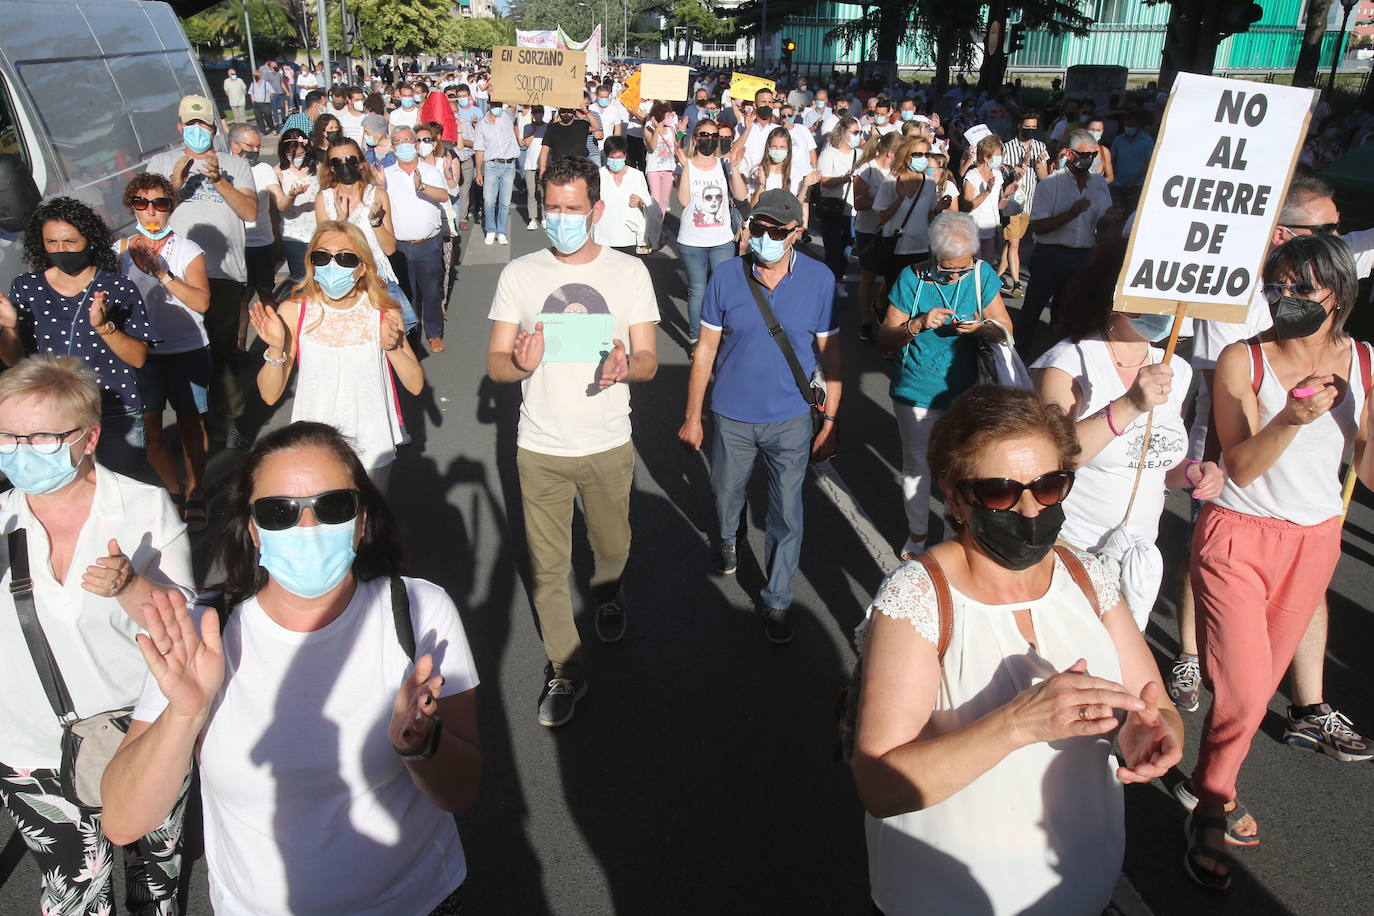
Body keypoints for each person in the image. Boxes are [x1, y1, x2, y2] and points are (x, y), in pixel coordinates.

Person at [101, 421, 481, 915]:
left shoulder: (419, 608)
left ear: (362, 522)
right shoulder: (204, 631)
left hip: (415, 901)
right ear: (254, 530)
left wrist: (421, 744)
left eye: (333, 507)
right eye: (279, 511)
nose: (308, 528)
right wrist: (184, 714)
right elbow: (124, 821)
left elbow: (461, 790)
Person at [853, 384, 1183, 915]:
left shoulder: (1087, 574)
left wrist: (1151, 732)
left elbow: (1156, 705)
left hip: (1077, 883)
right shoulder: (918, 598)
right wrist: (1017, 724)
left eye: (1051, 486)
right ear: (956, 494)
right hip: (951, 897)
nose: (1031, 509)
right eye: (1002, 493)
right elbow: (879, 785)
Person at [1178, 235, 1374, 889]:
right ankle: (1211, 803)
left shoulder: (1367, 364)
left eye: (1301, 288)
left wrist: (1364, 425)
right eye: (1277, 286)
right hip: (1236, 536)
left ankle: (1217, 780)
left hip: (1313, 544)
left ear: (1339, 294)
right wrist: (1290, 418)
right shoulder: (1245, 359)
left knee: (1258, 691)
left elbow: (1369, 472)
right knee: (1240, 688)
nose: (1285, 299)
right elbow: (1238, 464)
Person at [0, 355, 197, 916]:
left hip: (136, 736)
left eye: (39, 437)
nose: (19, 450)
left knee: (151, 884)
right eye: (7, 436)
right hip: (29, 750)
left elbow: (184, 627)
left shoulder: (142, 507)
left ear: (89, 437)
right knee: (71, 897)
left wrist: (133, 586)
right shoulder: (1, 519)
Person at [484, 156, 660, 728]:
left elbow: (651, 359)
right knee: (547, 566)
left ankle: (608, 593)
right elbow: (495, 363)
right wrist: (518, 363)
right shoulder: (520, 274)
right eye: (552, 208)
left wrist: (624, 368)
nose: (560, 219)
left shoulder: (628, 274)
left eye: (572, 209)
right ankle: (567, 666)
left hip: (608, 442)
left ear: (596, 211)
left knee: (612, 545)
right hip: (540, 448)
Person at [678, 190, 842, 644]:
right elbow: (706, 349)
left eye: (776, 231)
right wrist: (693, 415)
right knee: (724, 492)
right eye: (757, 229)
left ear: (796, 234)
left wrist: (831, 422)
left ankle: (777, 599)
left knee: (788, 512)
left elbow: (831, 357)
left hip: (790, 418)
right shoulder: (727, 277)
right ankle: (728, 535)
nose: (764, 238)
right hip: (731, 415)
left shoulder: (820, 280)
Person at [1032, 239, 1223, 627]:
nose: (1161, 311)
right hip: (1070, 549)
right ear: (1113, 298)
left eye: (1167, 300)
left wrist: (1192, 472)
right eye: (1149, 298)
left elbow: (1153, 461)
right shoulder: (1069, 363)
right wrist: (1130, 404)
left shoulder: (1176, 371)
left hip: (1136, 557)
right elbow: (1056, 456)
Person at [876, 212, 1012, 559]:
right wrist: (919, 324)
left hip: (968, 393)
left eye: (963, 268)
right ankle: (918, 535)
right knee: (917, 466)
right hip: (916, 390)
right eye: (948, 269)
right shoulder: (912, 279)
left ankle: (954, 534)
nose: (955, 276)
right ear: (933, 257)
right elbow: (886, 341)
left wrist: (982, 327)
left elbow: (1006, 330)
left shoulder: (981, 276)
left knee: (964, 470)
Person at [249, 222, 421, 490]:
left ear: (362, 266)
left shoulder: (384, 312)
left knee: (368, 529)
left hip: (371, 448)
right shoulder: (295, 311)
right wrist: (275, 347)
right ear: (311, 263)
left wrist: (394, 347)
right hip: (314, 451)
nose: (332, 265)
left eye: (345, 257)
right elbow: (270, 394)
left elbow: (415, 384)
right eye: (322, 256)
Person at [0, 198, 158, 475]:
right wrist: (10, 328)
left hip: (113, 410)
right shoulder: (26, 287)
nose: (61, 250)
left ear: (91, 241)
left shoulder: (117, 287)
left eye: (70, 242)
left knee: (123, 496)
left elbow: (138, 356)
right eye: (52, 242)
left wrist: (103, 327)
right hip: (52, 417)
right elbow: (13, 360)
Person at [145, 95, 258, 450]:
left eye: (203, 125)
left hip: (222, 273)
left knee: (221, 351)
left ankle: (228, 421)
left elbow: (250, 212)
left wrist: (219, 181)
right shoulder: (160, 163)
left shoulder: (234, 165)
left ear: (215, 128)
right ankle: (190, 422)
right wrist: (174, 185)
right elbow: (150, 216)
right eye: (190, 125)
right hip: (172, 274)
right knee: (179, 350)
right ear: (180, 127)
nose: (197, 131)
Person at [116, 173, 213, 530]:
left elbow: (202, 302)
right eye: (142, 203)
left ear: (170, 208)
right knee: (152, 430)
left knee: (191, 425)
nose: (151, 212)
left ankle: (196, 491)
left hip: (188, 349)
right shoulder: (120, 251)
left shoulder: (187, 250)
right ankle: (174, 491)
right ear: (132, 207)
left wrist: (163, 274)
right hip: (144, 354)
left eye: (160, 204)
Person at [1014, 129, 1114, 359]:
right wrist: (1071, 213)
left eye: (1093, 155)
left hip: (1083, 256)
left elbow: (1102, 222)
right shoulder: (1050, 185)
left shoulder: (1099, 184)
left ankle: (1055, 361)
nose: (1089, 159)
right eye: (1084, 154)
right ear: (1069, 154)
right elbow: (1038, 226)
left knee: (1066, 314)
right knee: (1032, 310)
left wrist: (1109, 219)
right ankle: (1018, 360)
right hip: (1050, 255)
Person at [676, 119, 740, 347]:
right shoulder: (687, 164)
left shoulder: (724, 164)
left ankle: (721, 336)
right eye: (704, 135)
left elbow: (740, 195)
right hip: (692, 241)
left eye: (714, 136)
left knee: (722, 290)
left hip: (722, 240)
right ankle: (696, 338)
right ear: (695, 138)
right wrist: (685, 168)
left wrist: (734, 167)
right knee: (698, 291)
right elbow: (683, 200)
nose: (709, 140)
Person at [385, 126, 449, 352]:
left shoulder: (429, 171)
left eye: (408, 141)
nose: (404, 146)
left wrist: (421, 186)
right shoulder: (386, 176)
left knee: (431, 292)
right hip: (400, 246)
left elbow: (443, 195)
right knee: (406, 293)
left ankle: (434, 334)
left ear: (415, 144)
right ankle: (410, 337)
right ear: (393, 148)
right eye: (398, 142)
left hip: (428, 244)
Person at [872, 137, 952, 307]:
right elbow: (882, 217)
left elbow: (929, 216)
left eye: (926, 154)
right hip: (896, 248)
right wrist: (900, 199)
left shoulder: (929, 183)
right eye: (918, 154)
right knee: (894, 294)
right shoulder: (892, 181)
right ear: (907, 156)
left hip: (921, 248)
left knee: (913, 296)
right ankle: (883, 317)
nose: (923, 158)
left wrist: (938, 209)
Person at [853, 132, 902, 339]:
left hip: (892, 230)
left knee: (894, 276)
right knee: (868, 276)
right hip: (868, 230)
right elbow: (858, 202)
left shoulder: (899, 170)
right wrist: (883, 205)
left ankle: (880, 304)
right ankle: (865, 322)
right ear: (891, 153)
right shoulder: (867, 170)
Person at [998, 112, 1049, 298]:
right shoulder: (1006, 147)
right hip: (1012, 202)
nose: (1030, 131)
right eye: (1027, 127)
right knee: (1014, 242)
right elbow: (1002, 174)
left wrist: (1038, 166)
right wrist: (1019, 167)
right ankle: (1017, 283)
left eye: (1034, 128)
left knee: (1011, 242)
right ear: (1019, 125)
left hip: (1029, 201)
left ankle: (998, 275)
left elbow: (1044, 178)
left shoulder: (1040, 147)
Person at [261, 128, 320, 285]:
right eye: (292, 155)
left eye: (301, 155)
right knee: (301, 279)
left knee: (320, 277)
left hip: (318, 232)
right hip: (293, 235)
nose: (296, 159)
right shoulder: (278, 172)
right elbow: (279, 206)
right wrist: (291, 196)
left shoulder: (318, 169)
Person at [816, 117, 862, 301]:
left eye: (859, 132)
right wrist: (844, 178)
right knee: (833, 248)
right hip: (832, 208)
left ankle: (837, 278)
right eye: (855, 132)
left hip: (852, 209)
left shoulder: (860, 153)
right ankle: (831, 282)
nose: (858, 136)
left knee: (847, 247)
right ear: (843, 133)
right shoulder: (829, 153)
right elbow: (823, 180)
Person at [471, 102, 519, 245]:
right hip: (491, 166)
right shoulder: (481, 125)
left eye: (500, 103)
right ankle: (491, 229)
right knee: (489, 201)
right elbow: (479, 150)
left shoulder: (507, 116)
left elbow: (513, 103)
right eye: (495, 104)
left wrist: (501, 91)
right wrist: (479, 172)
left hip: (509, 165)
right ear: (489, 104)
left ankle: (501, 231)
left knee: (505, 202)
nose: (498, 107)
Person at [594, 136, 651, 254]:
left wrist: (640, 202)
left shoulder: (637, 176)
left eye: (619, 157)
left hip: (629, 237)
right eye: (612, 157)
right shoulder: (598, 176)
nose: (615, 161)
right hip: (603, 237)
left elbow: (649, 204)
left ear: (625, 156)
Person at [960, 134, 1009, 264]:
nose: (1001, 159)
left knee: (986, 266)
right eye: (998, 156)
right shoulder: (972, 175)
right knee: (973, 266)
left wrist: (1007, 195)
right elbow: (967, 206)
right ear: (987, 157)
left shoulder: (998, 175)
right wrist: (986, 191)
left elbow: (999, 205)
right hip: (973, 230)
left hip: (991, 229)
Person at [642, 102, 679, 242]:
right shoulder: (648, 128)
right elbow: (651, 146)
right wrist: (657, 128)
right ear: (660, 116)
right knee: (655, 200)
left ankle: (657, 229)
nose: (671, 117)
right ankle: (651, 230)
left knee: (664, 201)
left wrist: (680, 131)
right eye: (668, 115)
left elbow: (677, 146)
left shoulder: (671, 129)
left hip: (668, 168)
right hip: (653, 168)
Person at [1109, 112, 1154, 212]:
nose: (1129, 128)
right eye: (1127, 125)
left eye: (1132, 125)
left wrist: (1134, 179)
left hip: (1137, 185)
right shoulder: (1118, 140)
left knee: (1132, 214)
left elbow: (1149, 164)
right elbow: (1111, 160)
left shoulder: (1147, 141)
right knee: (1116, 213)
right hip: (1118, 184)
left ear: (1138, 125)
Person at [521, 106, 549, 229]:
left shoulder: (548, 127)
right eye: (535, 112)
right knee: (531, 192)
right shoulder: (528, 127)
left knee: (545, 193)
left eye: (540, 112)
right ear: (532, 114)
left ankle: (545, 217)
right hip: (530, 164)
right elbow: (526, 143)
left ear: (543, 113)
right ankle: (532, 218)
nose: (538, 114)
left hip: (545, 165)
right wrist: (533, 130)